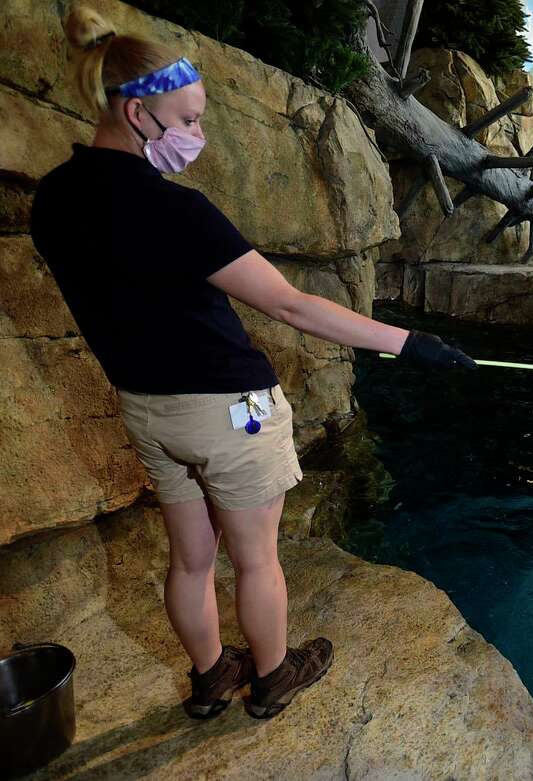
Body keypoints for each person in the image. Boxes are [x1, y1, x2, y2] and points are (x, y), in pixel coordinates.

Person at [31, 7, 476, 722]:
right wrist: (408, 342)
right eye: (188, 119)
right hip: (231, 410)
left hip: (147, 408)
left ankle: (211, 677)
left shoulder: (53, 198)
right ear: (139, 113)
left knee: (189, 558)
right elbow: (292, 305)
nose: (197, 135)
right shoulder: (177, 211)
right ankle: (273, 676)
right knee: (257, 559)